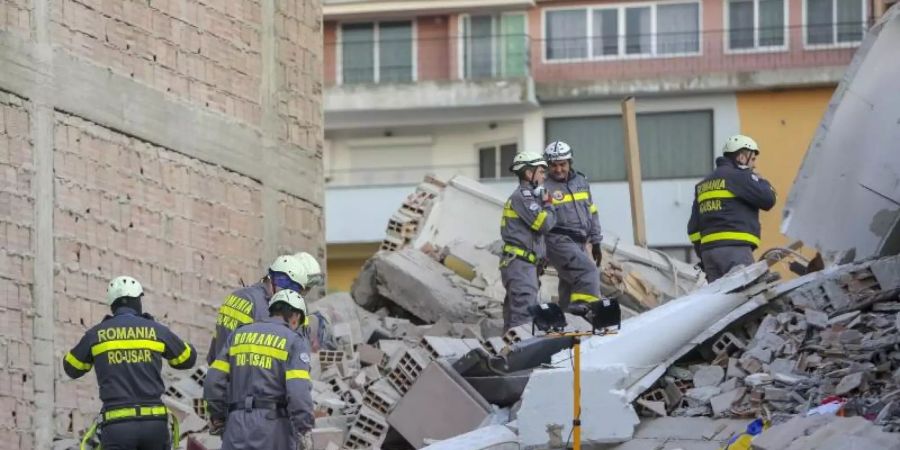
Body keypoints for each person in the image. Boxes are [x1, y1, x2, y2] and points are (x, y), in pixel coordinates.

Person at [63, 276, 197, 449]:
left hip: (117, 427)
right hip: (154, 426)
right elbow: (187, 359)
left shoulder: (96, 335)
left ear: (112, 305)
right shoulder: (156, 331)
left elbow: (71, 368)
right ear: (138, 301)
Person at [204, 290, 315, 450]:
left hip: (236, 427)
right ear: (296, 316)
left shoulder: (237, 336)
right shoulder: (293, 341)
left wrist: (218, 417)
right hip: (274, 430)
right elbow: (298, 391)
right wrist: (304, 429)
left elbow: (213, 381)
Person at [687, 134, 776, 282]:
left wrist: (702, 253)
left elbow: (693, 229)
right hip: (735, 251)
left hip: (709, 255)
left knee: (722, 302)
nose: (754, 165)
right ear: (741, 157)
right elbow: (768, 199)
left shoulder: (703, 185)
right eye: (752, 159)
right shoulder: (739, 176)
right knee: (748, 296)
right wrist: (760, 180)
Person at [207, 254, 312, 364]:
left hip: (222, 372)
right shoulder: (262, 306)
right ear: (274, 280)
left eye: (296, 291)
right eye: (290, 288)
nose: (289, 294)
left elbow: (218, 341)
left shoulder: (239, 296)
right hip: (245, 376)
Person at [541, 141, 603, 312]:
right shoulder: (543, 187)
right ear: (548, 165)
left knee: (570, 282)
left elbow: (593, 212)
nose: (559, 169)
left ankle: (569, 318)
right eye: (554, 165)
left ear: (570, 163)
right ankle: (584, 309)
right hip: (558, 240)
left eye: (563, 164)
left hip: (581, 242)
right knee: (587, 271)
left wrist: (596, 242)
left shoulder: (581, 182)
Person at [500, 151, 557, 330]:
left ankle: (509, 352)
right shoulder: (522, 197)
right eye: (541, 172)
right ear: (528, 173)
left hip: (524, 265)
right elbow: (545, 223)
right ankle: (518, 354)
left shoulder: (529, 197)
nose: (544, 176)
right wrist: (548, 202)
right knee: (522, 319)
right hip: (520, 265)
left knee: (516, 315)